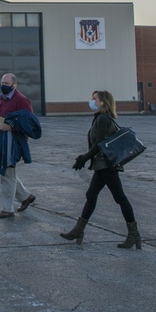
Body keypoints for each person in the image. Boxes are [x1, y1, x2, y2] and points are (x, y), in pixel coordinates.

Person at [60, 90, 142, 249]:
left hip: (106, 166)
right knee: (91, 195)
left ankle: (134, 234)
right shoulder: (100, 118)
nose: (91, 101)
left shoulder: (103, 119)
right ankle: (78, 230)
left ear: (102, 102)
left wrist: (84, 158)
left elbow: (100, 144)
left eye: (94, 98)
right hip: (101, 165)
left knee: (120, 198)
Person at [0, 73, 37, 218]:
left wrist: (12, 127)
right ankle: (25, 196)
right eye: (2, 82)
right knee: (5, 172)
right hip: (1, 140)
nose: (3, 85)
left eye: (6, 83)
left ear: (14, 85)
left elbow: (29, 123)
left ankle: (7, 208)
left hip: (12, 142)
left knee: (6, 173)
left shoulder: (22, 100)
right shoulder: (1, 98)